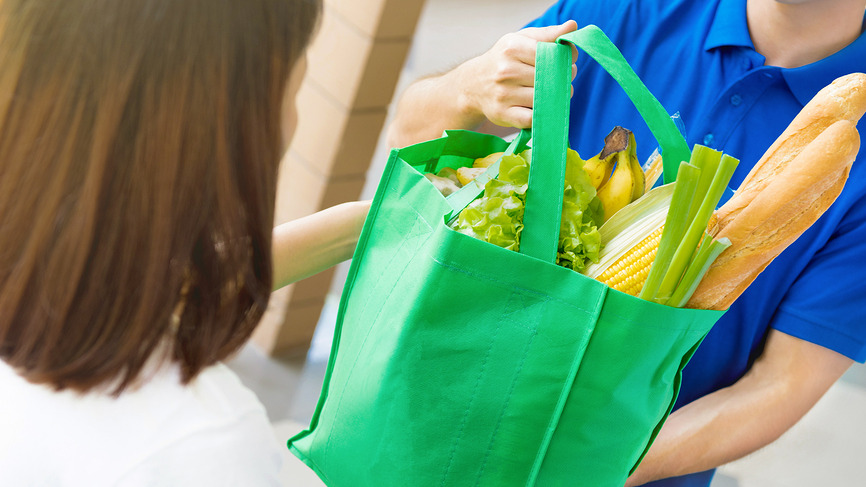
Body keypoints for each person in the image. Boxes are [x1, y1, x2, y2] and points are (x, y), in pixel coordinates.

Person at [388, 0, 866, 485]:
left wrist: (581, 467)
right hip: (435, 410)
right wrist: (467, 88)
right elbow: (412, 136)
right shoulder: (623, 11)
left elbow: (778, 387)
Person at [0, 0, 370, 485]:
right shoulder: (203, 445)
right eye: (292, 89)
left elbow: (131, 283)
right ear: (230, 122)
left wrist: (353, 227)